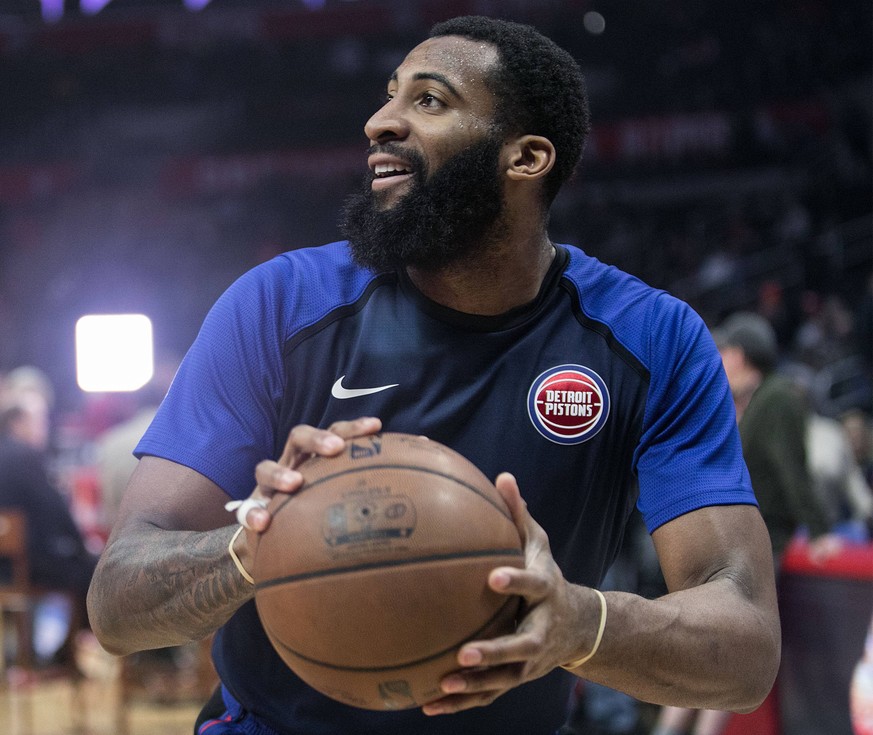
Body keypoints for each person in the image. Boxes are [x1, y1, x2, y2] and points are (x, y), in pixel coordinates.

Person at [87, 17, 780, 735]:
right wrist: (249, 547)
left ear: (526, 156)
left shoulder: (650, 339)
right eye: (390, 96)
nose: (379, 123)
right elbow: (115, 602)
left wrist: (581, 622)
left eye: (429, 100)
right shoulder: (279, 305)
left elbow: (746, 650)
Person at [652, 311, 834, 735]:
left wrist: (820, 531)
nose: (719, 359)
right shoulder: (744, 400)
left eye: (725, 351)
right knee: (701, 647)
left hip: (761, 542)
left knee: (725, 652)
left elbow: (793, 471)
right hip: (729, 537)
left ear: (742, 354)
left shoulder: (779, 398)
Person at [0, 379, 98, 664]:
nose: (45, 427)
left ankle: (53, 653)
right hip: (25, 565)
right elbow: (57, 512)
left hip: (5, 563)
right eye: (40, 419)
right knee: (96, 571)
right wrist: (83, 548)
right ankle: (64, 656)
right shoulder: (27, 455)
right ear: (18, 423)